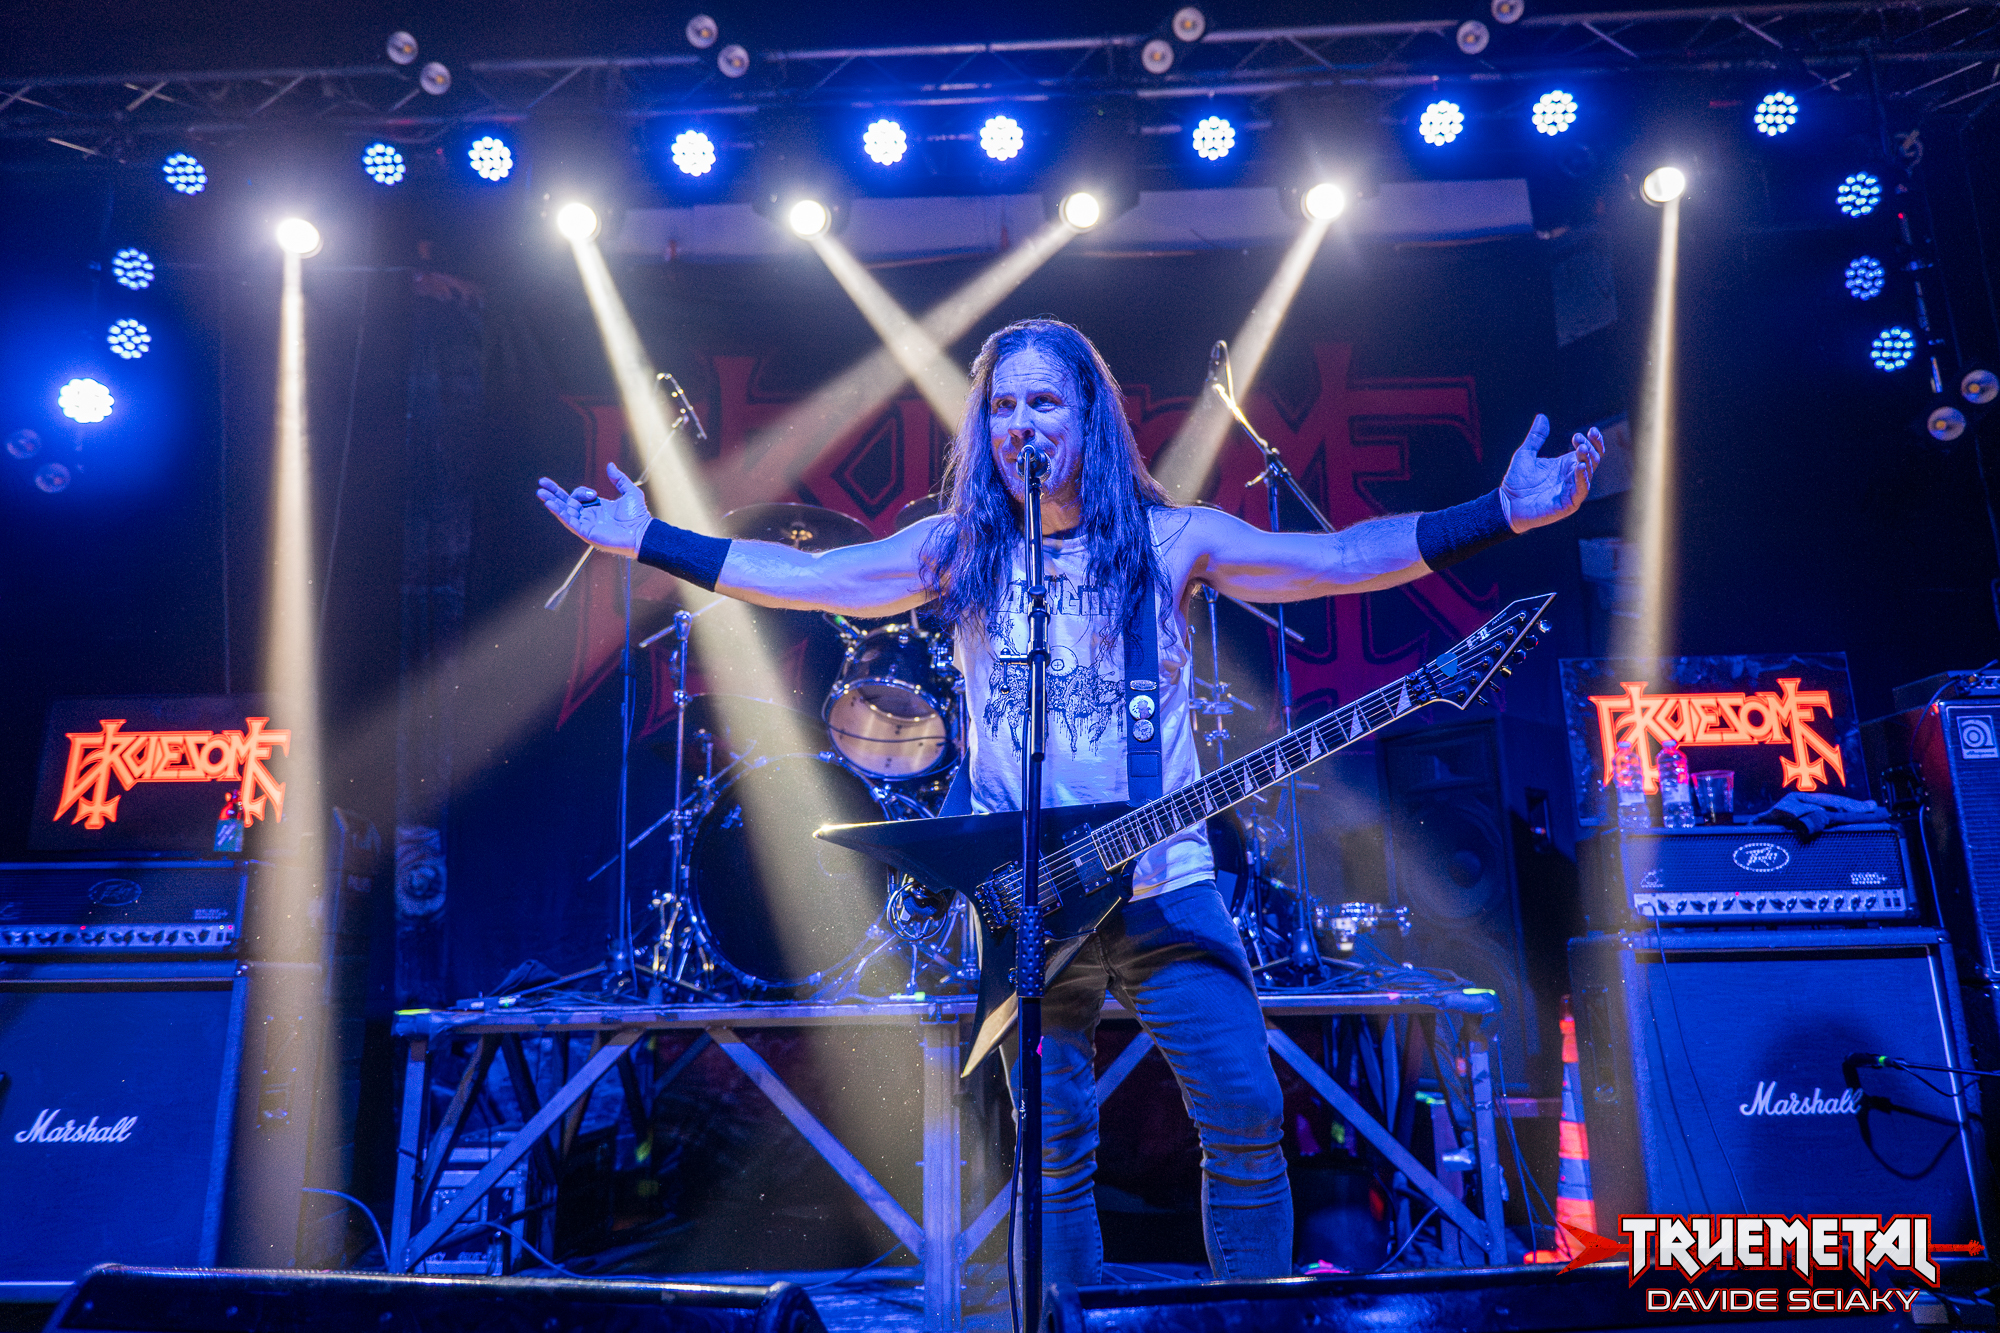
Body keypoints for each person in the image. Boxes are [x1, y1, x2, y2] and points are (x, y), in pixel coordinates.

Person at [536, 318, 1602, 1287]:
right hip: (1030, 904)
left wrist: (1501, 513)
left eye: (1043, 401)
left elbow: (1336, 557)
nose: (1021, 424)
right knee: (1051, 1148)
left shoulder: (1171, 541)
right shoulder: (959, 552)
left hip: (1164, 888)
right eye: (1002, 406)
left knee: (1244, 1111)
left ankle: (1251, 1322)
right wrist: (649, 540)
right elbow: (806, 577)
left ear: (1087, 415)